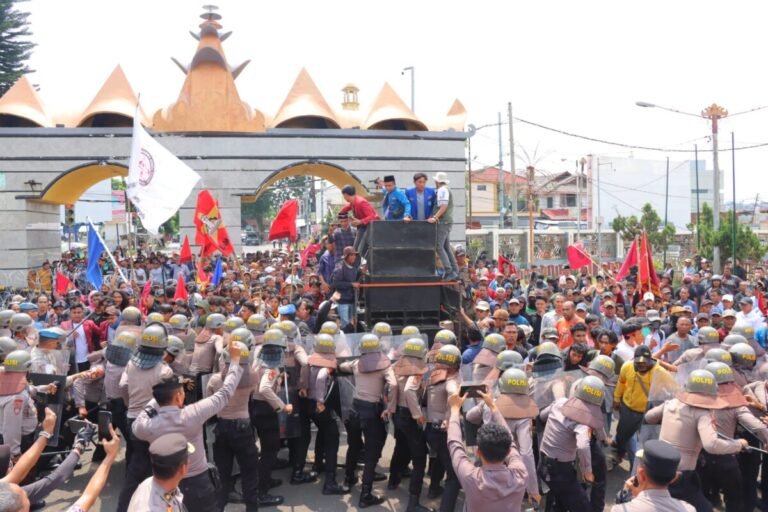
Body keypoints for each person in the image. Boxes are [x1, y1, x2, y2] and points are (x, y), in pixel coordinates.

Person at [131, 341, 244, 512]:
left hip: (164, 486)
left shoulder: (147, 426)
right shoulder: (193, 414)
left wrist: (158, 398)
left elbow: (140, 419)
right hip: (197, 482)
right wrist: (235, 361)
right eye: (181, 393)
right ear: (178, 397)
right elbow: (225, 392)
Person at [644, 369, 747, 511]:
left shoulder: (671, 403)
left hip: (658, 467)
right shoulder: (702, 414)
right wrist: (738, 444)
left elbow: (649, 417)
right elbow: (711, 445)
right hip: (681, 475)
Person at [339, 333, 397, 507]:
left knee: (354, 447)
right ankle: (365, 495)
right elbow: (393, 384)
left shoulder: (357, 364)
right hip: (372, 412)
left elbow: (342, 366)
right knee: (371, 455)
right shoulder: (384, 365)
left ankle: (349, 480)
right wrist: (390, 408)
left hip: (355, 409)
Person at [446, 389, 528, 511]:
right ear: (508, 452)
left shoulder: (471, 477)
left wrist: (454, 410)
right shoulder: (520, 474)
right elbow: (511, 442)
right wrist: (493, 406)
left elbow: (455, 445)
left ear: (479, 452)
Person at [538, 376, 608, 512]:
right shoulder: (583, 421)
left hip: (543, 463)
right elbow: (582, 445)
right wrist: (587, 472)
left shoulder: (560, 403)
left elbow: (541, 417)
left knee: (560, 501)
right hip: (561, 471)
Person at [611, 440, 695, 512]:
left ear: (641, 474)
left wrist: (625, 494)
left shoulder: (620, 510)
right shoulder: (689, 509)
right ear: (674, 478)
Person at [128, 433, 191, 512]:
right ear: (183, 469)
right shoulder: (152, 508)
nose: (189, 461)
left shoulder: (151, 484)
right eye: (188, 459)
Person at [428, 172, 459, 281]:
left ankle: (449, 270)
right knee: (446, 247)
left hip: (443, 222)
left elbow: (443, 206)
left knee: (438, 246)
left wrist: (435, 217)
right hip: (447, 222)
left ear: (437, 181)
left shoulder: (442, 190)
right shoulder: (446, 189)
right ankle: (455, 270)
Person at [339, 184, 379, 260]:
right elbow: (346, 208)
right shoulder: (353, 202)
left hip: (371, 226)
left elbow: (373, 216)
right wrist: (340, 213)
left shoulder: (361, 202)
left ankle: (366, 263)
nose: (344, 198)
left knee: (361, 248)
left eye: (344, 196)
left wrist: (360, 221)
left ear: (346, 195)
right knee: (355, 248)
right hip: (363, 226)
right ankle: (356, 264)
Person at [330, 246, 360, 331]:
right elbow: (336, 284)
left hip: (352, 300)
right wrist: (351, 284)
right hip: (342, 301)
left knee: (352, 324)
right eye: (351, 255)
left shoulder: (355, 267)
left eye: (354, 255)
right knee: (345, 325)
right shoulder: (340, 267)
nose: (353, 257)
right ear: (346, 256)